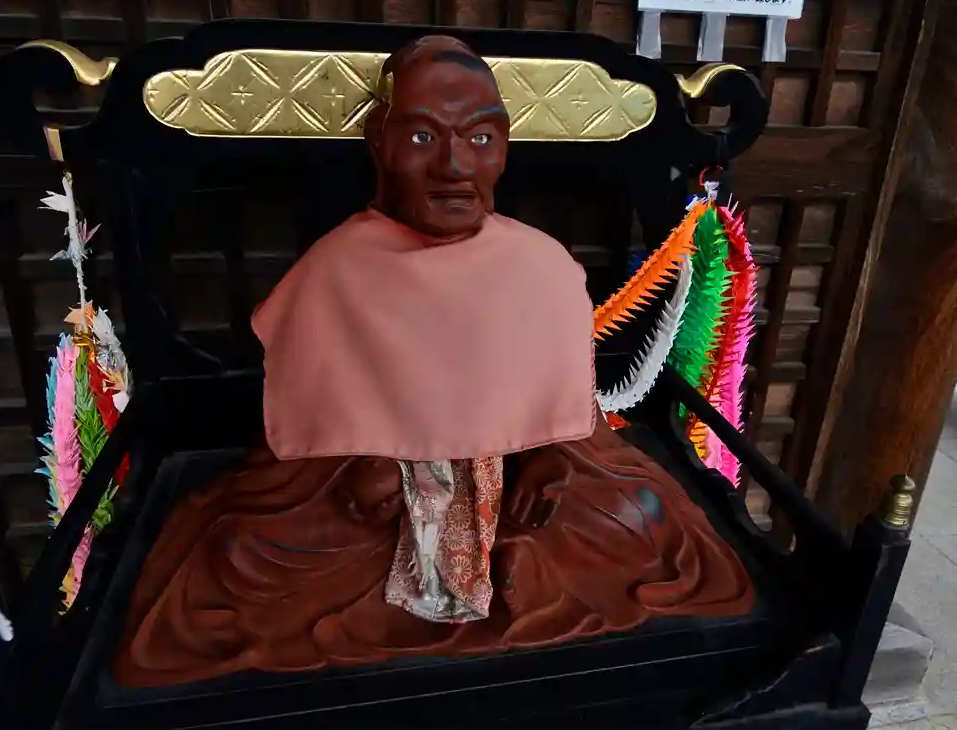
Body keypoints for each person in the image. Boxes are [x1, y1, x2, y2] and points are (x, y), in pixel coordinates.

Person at [114, 36, 754, 687]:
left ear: (504, 147)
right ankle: (510, 572)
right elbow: (297, 440)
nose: (454, 166)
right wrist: (353, 469)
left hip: (506, 483)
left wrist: (548, 460)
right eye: (422, 137)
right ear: (379, 145)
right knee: (242, 552)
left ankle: (516, 560)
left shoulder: (540, 266)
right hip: (373, 503)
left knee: (642, 512)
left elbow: (573, 418)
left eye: (480, 138)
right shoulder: (336, 270)